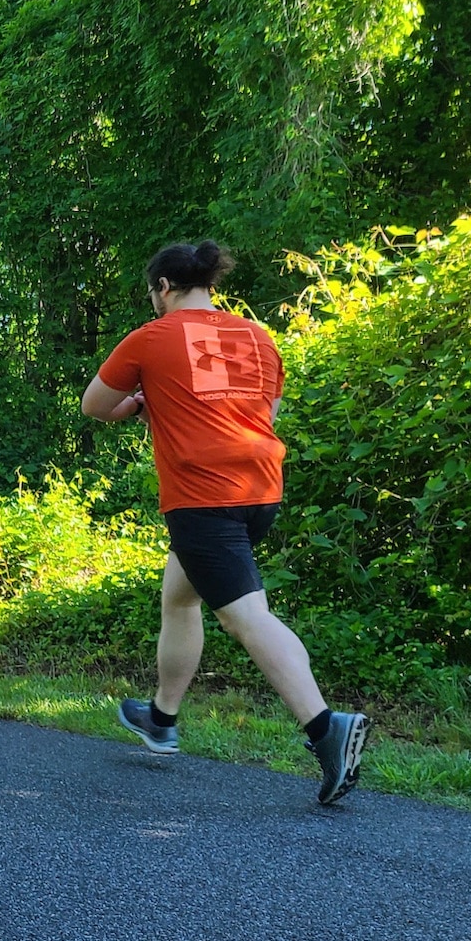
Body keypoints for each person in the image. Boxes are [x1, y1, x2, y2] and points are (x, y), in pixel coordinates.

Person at [82, 239, 370, 805]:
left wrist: (142, 403)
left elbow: (95, 405)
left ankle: (325, 727)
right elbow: (266, 415)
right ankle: (161, 718)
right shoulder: (257, 337)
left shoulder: (150, 337)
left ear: (163, 287)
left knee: (247, 617)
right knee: (180, 598)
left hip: (202, 497)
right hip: (260, 489)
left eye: (153, 293)